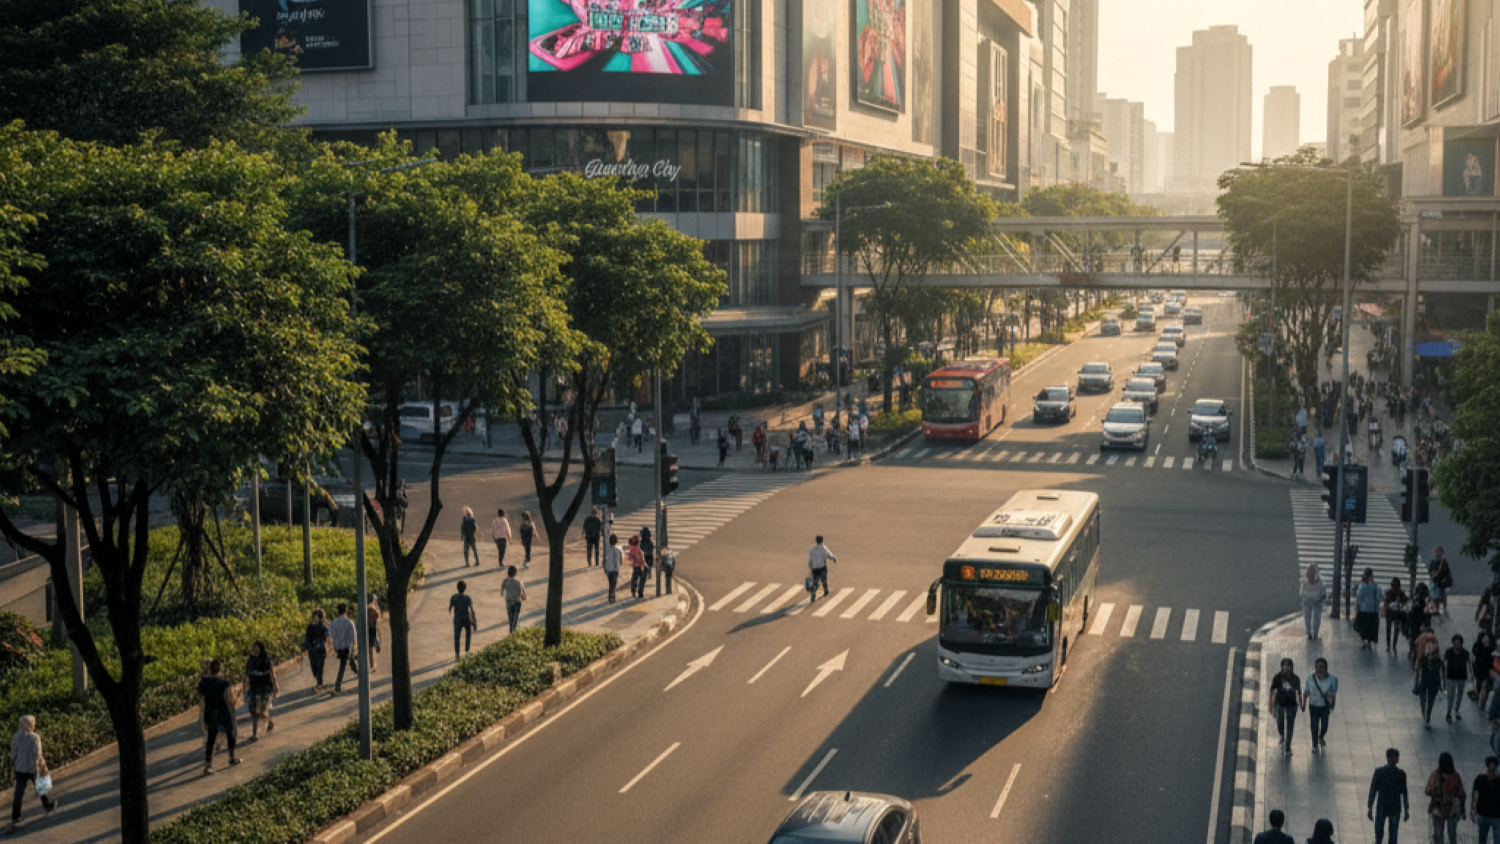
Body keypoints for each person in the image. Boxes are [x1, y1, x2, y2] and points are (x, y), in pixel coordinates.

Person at [9, 715, 57, 828]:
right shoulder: (34, 737)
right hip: (32, 768)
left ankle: (16, 816)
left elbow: (13, 753)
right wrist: (43, 766)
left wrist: (18, 761)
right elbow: (38, 755)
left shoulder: (15, 736)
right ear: (31, 724)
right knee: (40, 787)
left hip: (19, 768)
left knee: (19, 792)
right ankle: (47, 806)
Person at [197, 659, 239, 775]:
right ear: (220, 669)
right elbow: (229, 699)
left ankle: (208, 766)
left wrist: (203, 717)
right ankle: (231, 758)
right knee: (230, 734)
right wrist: (234, 703)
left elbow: (201, 700)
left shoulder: (204, 682)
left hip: (210, 712)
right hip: (223, 711)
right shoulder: (224, 683)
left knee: (211, 738)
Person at [1368, 748, 1410, 844]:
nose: (1393, 760)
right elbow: (1373, 790)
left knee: (1393, 833)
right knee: (1380, 832)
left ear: (1398, 760)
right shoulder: (1380, 772)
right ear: (1387, 759)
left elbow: (1404, 791)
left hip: (1391, 806)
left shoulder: (1400, 774)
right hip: (1386, 806)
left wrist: (1406, 809)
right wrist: (1370, 806)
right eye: (1391, 758)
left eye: (1395, 758)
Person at [1426, 752, 1466, 844]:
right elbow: (1462, 794)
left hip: (1438, 807)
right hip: (1453, 807)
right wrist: (1462, 810)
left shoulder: (1435, 774)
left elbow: (1428, 790)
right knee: (1452, 834)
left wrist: (1437, 793)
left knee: (1438, 834)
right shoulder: (1455, 775)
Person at [242, 641, 278, 741]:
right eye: (253, 648)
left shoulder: (266, 660)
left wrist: (276, 686)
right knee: (253, 711)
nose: (253, 650)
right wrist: (244, 690)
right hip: (254, 689)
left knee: (262, 713)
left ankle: (269, 722)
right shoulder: (250, 661)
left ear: (260, 649)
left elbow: (273, 674)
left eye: (255, 648)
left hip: (265, 689)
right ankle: (255, 735)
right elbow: (245, 676)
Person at [1303, 658, 1337, 752]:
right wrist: (1304, 697)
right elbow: (1306, 690)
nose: (1319, 669)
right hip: (1313, 705)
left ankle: (1321, 736)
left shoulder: (1332, 679)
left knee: (1324, 726)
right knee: (1314, 725)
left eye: (1322, 667)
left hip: (1325, 706)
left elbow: (1333, 692)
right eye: (1317, 667)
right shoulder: (1310, 678)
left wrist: (1330, 695)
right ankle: (1314, 745)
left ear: (1326, 668)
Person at [1270, 658, 1302, 756]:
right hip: (1279, 703)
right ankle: (1282, 735)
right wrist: (1271, 706)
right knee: (1280, 722)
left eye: (1289, 666)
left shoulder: (1296, 679)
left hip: (1291, 705)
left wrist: (1301, 703)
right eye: (1285, 666)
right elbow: (1272, 691)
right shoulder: (1277, 677)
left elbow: (1298, 691)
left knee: (1290, 725)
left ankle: (1288, 747)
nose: (1287, 669)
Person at [329, 603, 358, 694]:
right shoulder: (349, 622)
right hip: (347, 645)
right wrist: (354, 645)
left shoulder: (333, 622)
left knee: (349, 660)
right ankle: (338, 684)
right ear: (346, 611)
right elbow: (353, 636)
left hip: (338, 646)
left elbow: (330, 634)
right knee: (344, 664)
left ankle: (358, 672)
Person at [1417, 638, 1445, 729]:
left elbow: (1443, 671)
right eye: (1429, 647)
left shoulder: (1438, 661)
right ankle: (1425, 714)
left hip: (1434, 682)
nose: (1430, 649)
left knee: (1431, 700)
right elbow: (1417, 670)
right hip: (1424, 681)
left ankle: (1427, 716)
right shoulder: (1423, 659)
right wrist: (1416, 682)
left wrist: (1442, 683)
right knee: (1423, 699)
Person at [1473, 756, 1500, 844]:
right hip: (1484, 814)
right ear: (1487, 766)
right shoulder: (1480, 779)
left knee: (1497, 840)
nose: (1492, 768)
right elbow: (1475, 795)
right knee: (1482, 840)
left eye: (1494, 765)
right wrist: (1473, 809)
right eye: (1490, 765)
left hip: (1497, 815)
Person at [1446, 635, 1471, 724]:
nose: (1457, 644)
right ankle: (1448, 713)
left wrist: (1470, 675)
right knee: (1450, 696)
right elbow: (1445, 664)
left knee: (1460, 695)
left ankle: (1456, 709)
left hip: (1461, 677)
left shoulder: (1465, 653)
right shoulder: (1449, 652)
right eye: (1455, 643)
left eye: (1458, 643)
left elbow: (1469, 664)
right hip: (1450, 677)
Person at [449, 580, 476, 661]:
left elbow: (450, 608)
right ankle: (467, 650)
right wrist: (474, 621)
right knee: (468, 634)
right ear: (465, 588)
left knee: (457, 636)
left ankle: (457, 654)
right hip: (466, 618)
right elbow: (471, 610)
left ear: (457, 588)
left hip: (457, 619)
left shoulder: (454, 597)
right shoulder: (468, 598)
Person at [1356, 568, 1383, 649]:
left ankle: (1365, 642)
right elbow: (1378, 597)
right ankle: (1369, 642)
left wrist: (1359, 607)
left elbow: (1359, 597)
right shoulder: (1375, 586)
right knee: (1370, 627)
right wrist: (1377, 608)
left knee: (1364, 627)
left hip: (1364, 609)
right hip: (1371, 610)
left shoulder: (1362, 586)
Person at [304, 608, 330, 693]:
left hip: (319, 650)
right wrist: (308, 646)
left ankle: (319, 683)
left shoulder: (323, 626)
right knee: (315, 669)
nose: (315, 618)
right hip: (313, 651)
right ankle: (319, 682)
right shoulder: (310, 627)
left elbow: (325, 637)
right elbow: (307, 638)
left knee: (319, 668)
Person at [1301, 564, 1326, 640]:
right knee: (1307, 617)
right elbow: (1301, 591)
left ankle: (1315, 633)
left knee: (1316, 618)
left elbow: (1323, 593)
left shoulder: (1319, 582)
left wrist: (1320, 600)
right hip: (1307, 601)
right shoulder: (1305, 582)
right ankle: (1309, 633)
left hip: (1316, 601)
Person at [1383, 579, 1409, 654]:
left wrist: (1401, 600)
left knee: (1396, 629)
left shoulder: (1400, 593)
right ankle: (1388, 645)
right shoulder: (1388, 592)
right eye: (1394, 586)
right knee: (1388, 629)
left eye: (1396, 587)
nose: (1395, 588)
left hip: (1397, 614)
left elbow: (1405, 600)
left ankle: (1394, 645)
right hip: (1390, 613)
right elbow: (1385, 601)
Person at [808, 535, 836, 602]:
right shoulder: (823, 548)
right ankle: (826, 590)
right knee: (824, 580)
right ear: (822, 541)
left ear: (816, 541)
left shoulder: (811, 549)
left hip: (814, 568)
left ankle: (813, 595)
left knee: (815, 581)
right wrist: (833, 558)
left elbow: (810, 560)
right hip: (822, 567)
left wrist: (810, 567)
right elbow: (829, 554)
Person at [501, 565, 527, 634]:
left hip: (509, 601)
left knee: (510, 618)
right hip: (517, 601)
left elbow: (502, 593)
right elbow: (525, 595)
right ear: (516, 573)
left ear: (508, 573)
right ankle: (514, 631)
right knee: (516, 618)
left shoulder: (505, 581)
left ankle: (511, 631)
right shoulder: (519, 582)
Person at [1476, 632, 1496, 713]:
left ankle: (1482, 705)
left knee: (1486, 688)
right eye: (1484, 639)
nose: (1486, 640)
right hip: (1481, 671)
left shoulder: (1492, 648)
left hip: (1489, 671)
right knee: (1481, 686)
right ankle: (1479, 700)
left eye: (1487, 639)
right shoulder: (1479, 647)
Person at [1430, 546, 1453, 615]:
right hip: (1435, 587)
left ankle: (1444, 615)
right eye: (1435, 552)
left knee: (1443, 604)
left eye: (1438, 552)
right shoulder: (1433, 563)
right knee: (1435, 604)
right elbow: (1433, 576)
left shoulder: (1444, 563)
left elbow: (1446, 575)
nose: (1437, 554)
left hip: (1442, 587)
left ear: (1442, 553)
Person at [603, 534, 622, 604]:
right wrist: (619, 566)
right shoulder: (618, 550)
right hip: (615, 569)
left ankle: (610, 595)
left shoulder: (607, 550)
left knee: (610, 583)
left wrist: (605, 568)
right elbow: (620, 560)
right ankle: (612, 596)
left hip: (609, 569)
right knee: (614, 583)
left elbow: (605, 560)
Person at [627, 535, 647, 599]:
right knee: (639, 580)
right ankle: (639, 593)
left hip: (640, 566)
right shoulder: (636, 550)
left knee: (636, 579)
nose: (629, 546)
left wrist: (633, 561)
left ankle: (636, 592)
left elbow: (641, 560)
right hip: (639, 566)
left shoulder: (636, 550)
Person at [366, 594, 382, 673]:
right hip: (373, 628)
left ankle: (372, 665)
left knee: (369, 649)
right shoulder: (372, 608)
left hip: (367, 628)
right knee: (371, 648)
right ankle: (372, 665)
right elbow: (378, 617)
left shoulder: (366, 608)